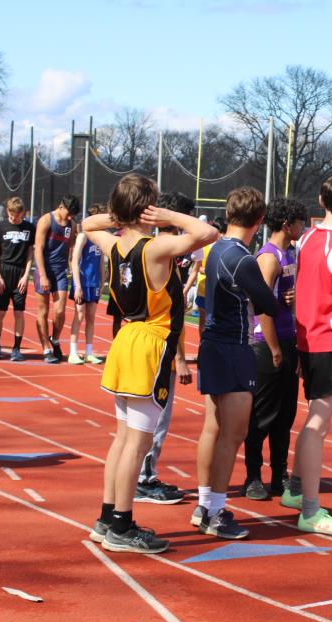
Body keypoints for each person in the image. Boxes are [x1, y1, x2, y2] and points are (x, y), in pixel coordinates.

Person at [84, 174, 217, 554]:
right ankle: (122, 524)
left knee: (122, 437)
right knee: (137, 442)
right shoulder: (155, 247)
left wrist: (120, 217)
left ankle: (107, 517)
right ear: (148, 209)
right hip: (150, 345)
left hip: (126, 339)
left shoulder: (114, 243)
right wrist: (168, 216)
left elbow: (87, 224)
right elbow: (207, 233)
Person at [192, 187, 278, 539]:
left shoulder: (215, 249)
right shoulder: (242, 258)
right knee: (233, 433)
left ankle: (203, 504)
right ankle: (215, 512)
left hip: (212, 343)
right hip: (233, 347)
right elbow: (268, 304)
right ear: (259, 221)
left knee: (213, 428)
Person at [283, 174, 332, 536]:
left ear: (320, 200)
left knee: (314, 419)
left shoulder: (306, 238)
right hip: (330, 342)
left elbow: (302, 289)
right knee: (317, 425)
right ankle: (311, 511)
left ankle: (296, 489)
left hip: (306, 338)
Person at [134, 193, 197, 506]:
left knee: (143, 420)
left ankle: (144, 475)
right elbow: (172, 315)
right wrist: (181, 359)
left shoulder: (142, 246)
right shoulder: (164, 252)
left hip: (141, 341)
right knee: (155, 419)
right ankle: (143, 479)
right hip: (159, 346)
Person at [242, 197, 306, 500]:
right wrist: (274, 348)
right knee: (262, 414)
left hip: (288, 339)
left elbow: (282, 297)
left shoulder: (290, 252)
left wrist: (291, 300)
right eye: (300, 222)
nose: (303, 227)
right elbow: (261, 306)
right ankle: (253, 476)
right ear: (286, 224)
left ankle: (280, 473)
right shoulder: (268, 257)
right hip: (268, 344)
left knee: (285, 414)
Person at [34, 195, 80, 363]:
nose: (70, 217)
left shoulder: (71, 224)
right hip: (44, 270)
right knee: (43, 311)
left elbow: (70, 247)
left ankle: (55, 339)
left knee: (60, 310)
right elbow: (38, 249)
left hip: (60, 271)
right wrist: (43, 275)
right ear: (61, 207)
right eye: (68, 213)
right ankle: (46, 349)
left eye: (72, 215)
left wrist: (72, 266)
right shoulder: (46, 220)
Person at [0, 197, 35, 362]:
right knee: (0, 311)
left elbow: (30, 254)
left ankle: (16, 349)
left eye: (17, 215)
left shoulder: (29, 228)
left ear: (22, 213)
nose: (14, 218)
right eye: (11, 215)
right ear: (7, 211)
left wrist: (26, 276)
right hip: (3, 271)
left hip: (20, 273)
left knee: (19, 312)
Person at [69, 204, 108, 365]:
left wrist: (102, 281)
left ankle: (89, 352)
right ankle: (73, 352)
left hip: (94, 283)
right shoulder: (83, 236)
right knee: (79, 315)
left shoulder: (101, 237)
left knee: (91, 317)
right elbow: (74, 261)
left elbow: (101, 261)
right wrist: (77, 286)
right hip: (82, 282)